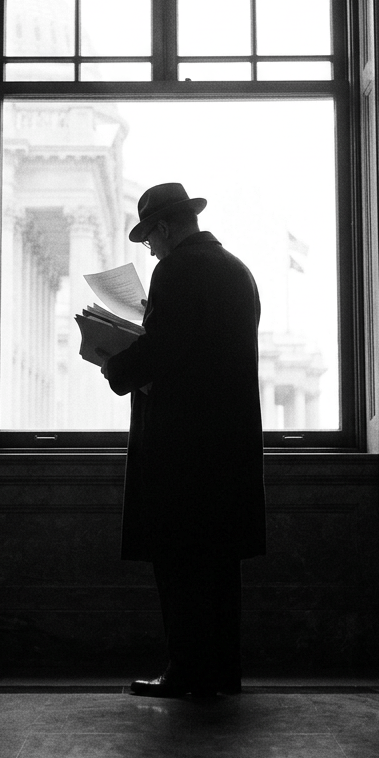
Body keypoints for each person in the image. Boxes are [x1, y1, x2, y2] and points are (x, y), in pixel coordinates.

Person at [100, 181, 266, 698]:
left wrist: (109, 358)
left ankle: (187, 670)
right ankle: (223, 671)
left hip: (180, 448)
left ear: (166, 229)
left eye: (149, 238)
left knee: (178, 566)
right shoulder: (238, 271)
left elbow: (163, 354)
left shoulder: (173, 271)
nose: (149, 248)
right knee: (219, 569)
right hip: (229, 448)